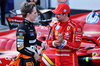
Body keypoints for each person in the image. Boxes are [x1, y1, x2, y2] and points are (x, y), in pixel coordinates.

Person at [16, 2, 47, 66]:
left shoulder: (31, 24)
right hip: (26, 60)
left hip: (33, 58)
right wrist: (33, 54)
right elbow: (19, 48)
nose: (37, 14)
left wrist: (41, 43)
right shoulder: (22, 28)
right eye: (35, 13)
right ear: (28, 14)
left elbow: (31, 40)